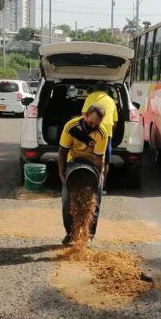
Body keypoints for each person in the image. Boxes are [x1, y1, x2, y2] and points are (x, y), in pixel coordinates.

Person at [58, 104, 108, 245]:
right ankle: (70, 234)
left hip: (92, 163)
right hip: (74, 161)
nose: (92, 125)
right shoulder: (71, 127)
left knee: (94, 201)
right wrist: (62, 175)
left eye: (96, 124)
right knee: (67, 200)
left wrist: (98, 178)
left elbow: (99, 158)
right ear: (85, 115)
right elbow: (62, 151)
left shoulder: (101, 133)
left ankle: (89, 236)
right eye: (90, 122)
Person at [82, 85, 117, 183]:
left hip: (90, 131)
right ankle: (101, 186)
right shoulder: (111, 100)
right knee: (104, 161)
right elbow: (115, 121)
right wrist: (110, 134)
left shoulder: (90, 97)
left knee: (89, 156)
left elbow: (84, 114)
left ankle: (87, 183)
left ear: (95, 89)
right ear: (106, 91)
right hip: (107, 132)